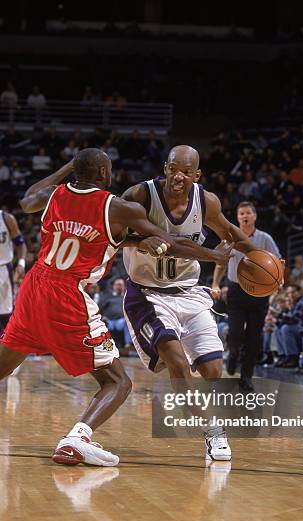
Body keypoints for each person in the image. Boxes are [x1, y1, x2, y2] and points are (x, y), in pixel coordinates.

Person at [0, 149, 206, 467]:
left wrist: (67, 167)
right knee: (117, 381)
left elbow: (28, 199)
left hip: (34, 286)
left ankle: (77, 440)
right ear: (102, 173)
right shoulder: (117, 206)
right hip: (67, 294)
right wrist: (218, 257)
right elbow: (169, 241)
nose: (111, 174)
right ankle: (77, 439)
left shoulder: (54, 196)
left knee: (3, 365)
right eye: (108, 169)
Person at [121, 145, 259, 461]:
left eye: (186, 171)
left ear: (197, 175)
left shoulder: (206, 201)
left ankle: (207, 417)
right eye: (173, 168)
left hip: (189, 291)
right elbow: (111, 232)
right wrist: (139, 241)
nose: (178, 176)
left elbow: (229, 232)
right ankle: (213, 433)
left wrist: (261, 257)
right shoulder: (140, 195)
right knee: (177, 362)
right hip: (148, 294)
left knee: (212, 370)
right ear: (165, 167)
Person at [212, 201, 282, 390]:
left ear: (254, 216)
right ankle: (233, 354)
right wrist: (216, 284)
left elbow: (278, 260)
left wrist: (278, 279)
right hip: (236, 290)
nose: (244, 216)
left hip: (260, 292)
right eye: (241, 213)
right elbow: (220, 263)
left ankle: (247, 376)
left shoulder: (265, 238)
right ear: (237, 217)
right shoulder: (229, 238)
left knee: (254, 337)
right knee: (235, 334)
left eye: (248, 213)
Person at [0, 208, 27, 329]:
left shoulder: (6, 219)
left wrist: (21, 263)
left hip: (4, 270)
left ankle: (9, 344)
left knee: (7, 314)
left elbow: (21, 245)